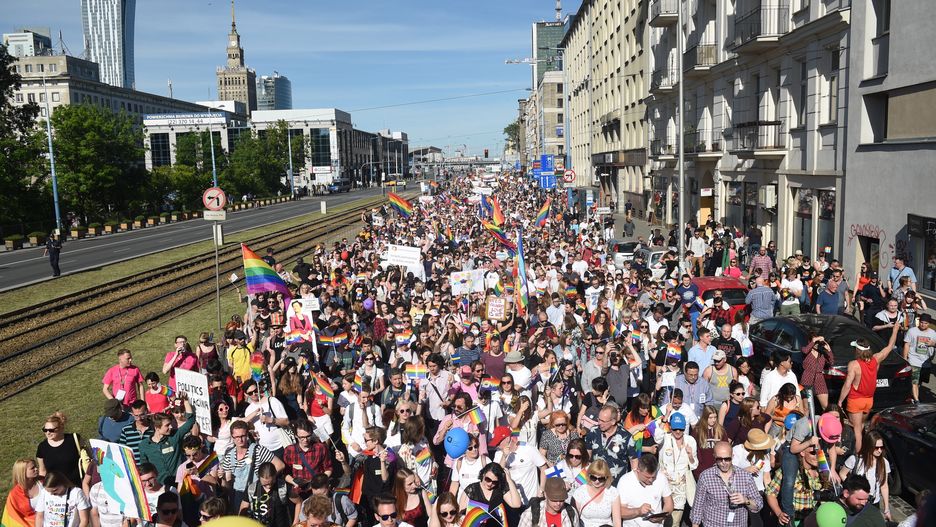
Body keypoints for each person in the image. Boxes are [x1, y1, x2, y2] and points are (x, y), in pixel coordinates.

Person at [837, 323, 900, 453]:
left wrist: (840, 401)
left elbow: (847, 384)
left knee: (856, 430)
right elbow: (890, 346)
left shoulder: (854, 364)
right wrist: (895, 330)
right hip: (869, 400)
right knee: (861, 426)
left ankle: (859, 455)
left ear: (857, 350)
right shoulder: (876, 359)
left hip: (856, 399)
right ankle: (866, 451)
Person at [690, 441, 763, 527]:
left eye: (727, 459)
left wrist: (745, 500)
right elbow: (697, 508)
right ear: (714, 457)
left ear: (732, 456)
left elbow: (758, 504)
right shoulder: (706, 476)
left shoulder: (745, 477)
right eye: (719, 459)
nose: (723, 462)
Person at [839, 431, 892, 521]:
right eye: (876, 448)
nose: (879, 450)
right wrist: (853, 488)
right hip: (857, 502)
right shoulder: (855, 459)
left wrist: (886, 509)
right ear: (868, 446)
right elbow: (842, 474)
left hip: (873, 503)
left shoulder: (883, 462)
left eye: (881, 447)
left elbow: (884, 486)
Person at [801, 475, 885, 527]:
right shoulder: (828, 507)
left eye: (867, 499)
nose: (864, 503)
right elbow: (807, 524)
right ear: (846, 493)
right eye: (859, 499)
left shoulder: (872, 513)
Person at [584, 405, 638, 484]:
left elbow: (633, 461)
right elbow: (587, 456)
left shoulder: (627, 437)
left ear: (613, 421)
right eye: (599, 419)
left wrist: (634, 481)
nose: (599, 423)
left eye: (603, 421)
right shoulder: (593, 431)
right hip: (595, 481)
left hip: (616, 484)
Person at [617, 454, 673, 527]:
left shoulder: (661, 478)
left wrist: (662, 516)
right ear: (638, 470)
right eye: (647, 477)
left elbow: (669, 502)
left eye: (653, 477)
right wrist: (638, 511)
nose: (651, 480)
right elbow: (619, 511)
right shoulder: (625, 481)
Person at [36, 412, 84, 487]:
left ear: (61, 428)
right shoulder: (42, 447)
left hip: (77, 485)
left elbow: (88, 458)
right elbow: (42, 471)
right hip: (55, 488)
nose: (48, 433)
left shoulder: (74, 439)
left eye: (51, 430)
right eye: (45, 430)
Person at [571, 459, 621, 527]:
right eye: (593, 478)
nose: (597, 481)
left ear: (607, 477)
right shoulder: (580, 492)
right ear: (589, 475)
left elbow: (617, 522)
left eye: (601, 479)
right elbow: (574, 520)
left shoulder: (613, 492)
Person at [903, 312, 935, 404]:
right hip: (914, 360)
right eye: (921, 322)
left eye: (925, 323)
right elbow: (907, 344)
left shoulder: (933, 333)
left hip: (926, 362)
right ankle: (917, 400)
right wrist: (905, 358)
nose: (923, 325)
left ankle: (912, 395)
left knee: (920, 381)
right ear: (919, 321)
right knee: (915, 381)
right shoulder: (912, 331)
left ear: (929, 324)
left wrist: (933, 344)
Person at [4, 459, 43, 527]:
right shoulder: (14, 494)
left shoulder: (44, 482)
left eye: (36, 466)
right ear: (22, 472)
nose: (36, 469)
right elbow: (12, 514)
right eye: (32, 468)